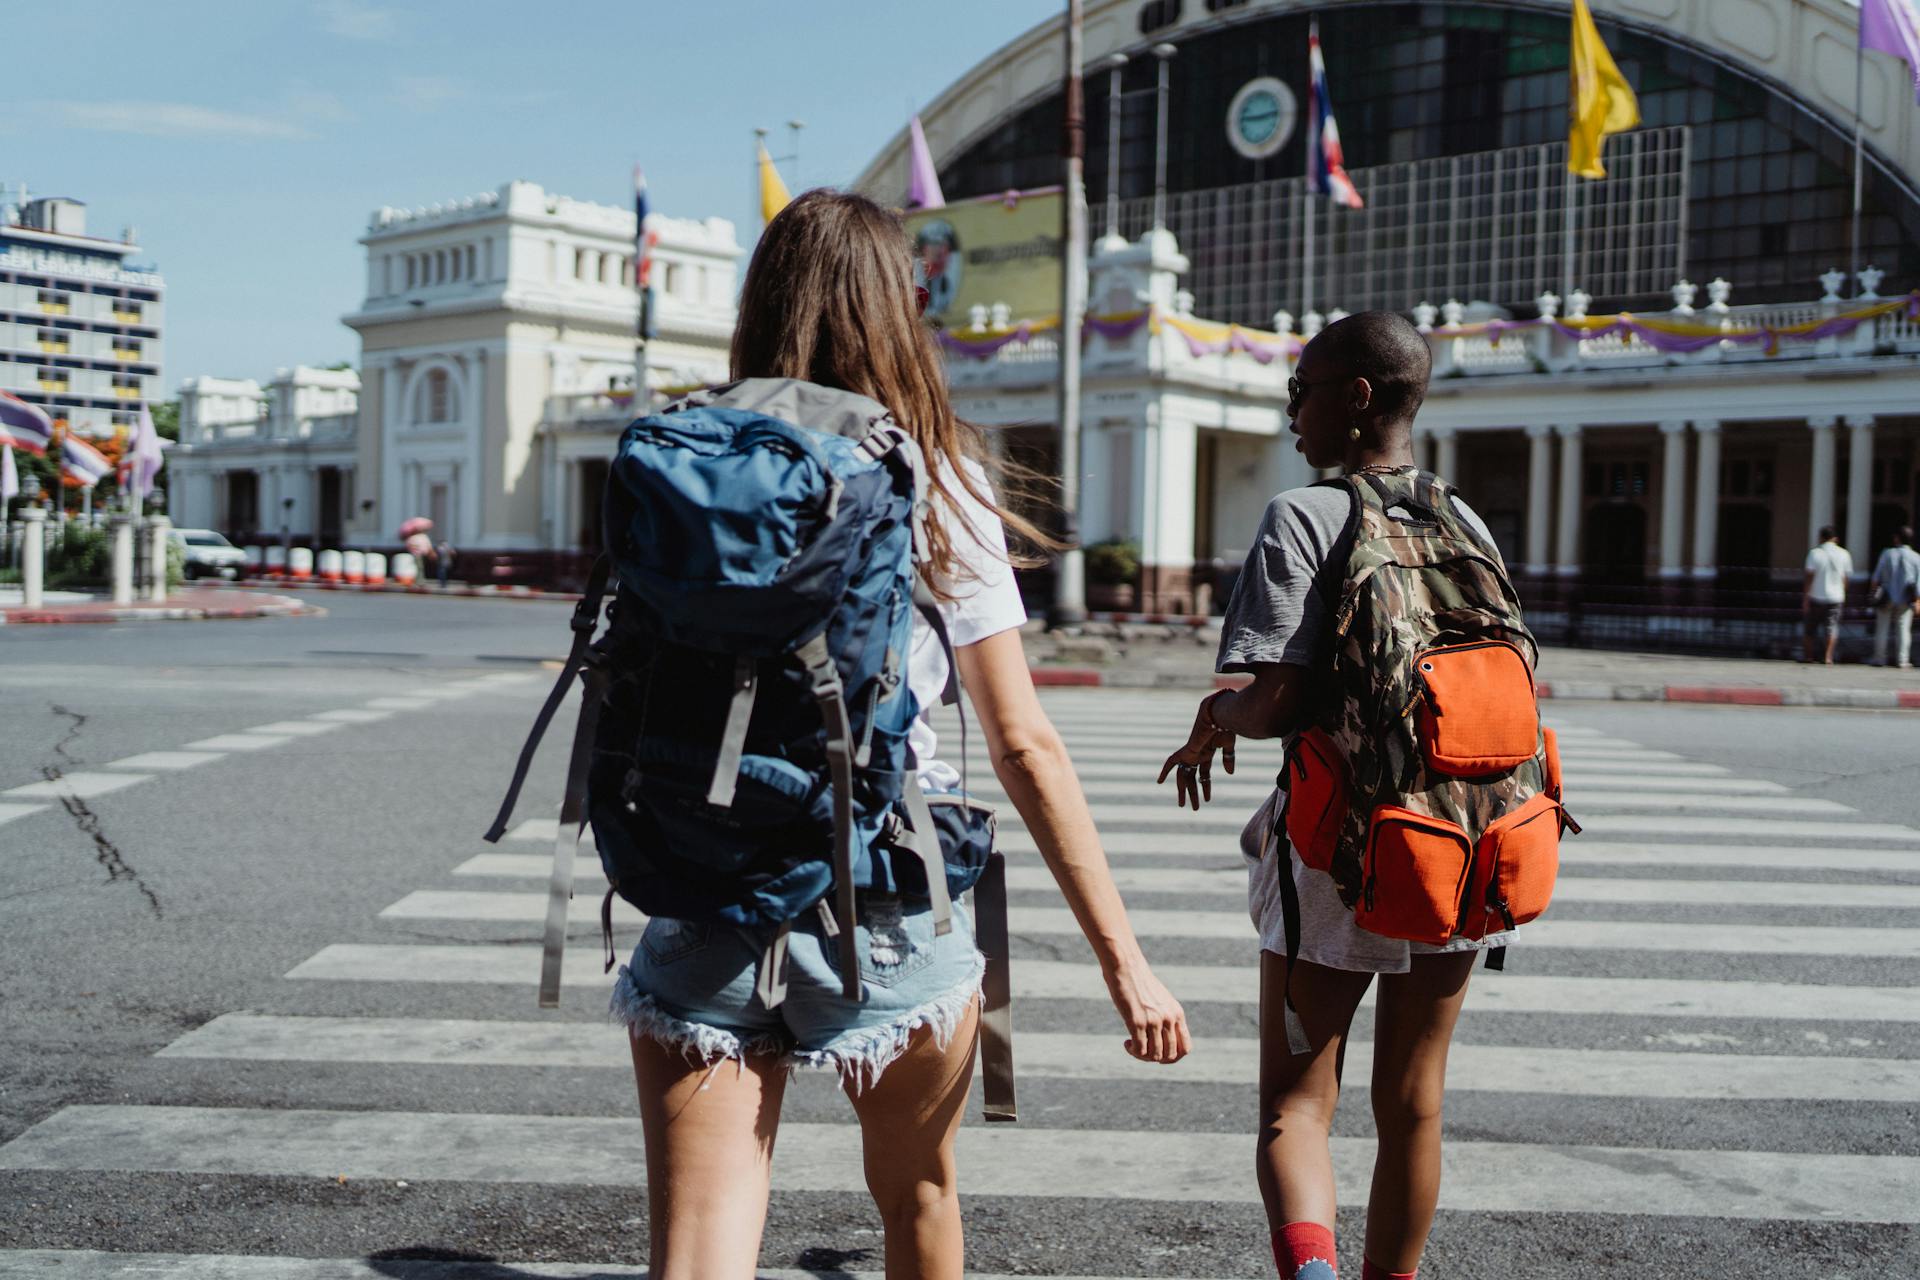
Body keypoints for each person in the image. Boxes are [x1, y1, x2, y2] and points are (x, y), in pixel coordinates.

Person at [614, 188, 1191, 1280]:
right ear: (896, 309)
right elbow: (1022, 743)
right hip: (889, 881)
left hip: (705, 868)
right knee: (917, 1194)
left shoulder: (682, 467)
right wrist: (1127, 964)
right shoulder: (942, 478)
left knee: (697, 1243)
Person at [1158, 312, 1512, 1280]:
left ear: (1357, 398)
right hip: (1462, 852)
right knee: (1414, 1108)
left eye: (1302, 386)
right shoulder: (1465, 520)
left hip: (1341, 856)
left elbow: (1276, 699)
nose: (1290, 408)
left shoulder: (1304, 516)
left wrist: (1216, 714)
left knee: (1294, 1108)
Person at [1869, 525, 1920, 669]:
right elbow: (1918, 582)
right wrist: (1917, 600)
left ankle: (1879, 658)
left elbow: (1875, 578)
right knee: (1903, 628)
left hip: (1886, 596)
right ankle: (1902, 660)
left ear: (1897, 538)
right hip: (1906, 596)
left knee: (1882, 627)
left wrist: (1873, 593)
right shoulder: (1917, 557)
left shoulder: (1887, 554)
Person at [1803, 525, 1853, 665]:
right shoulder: (1844, 554)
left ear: (1821, 538)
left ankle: (1809, 656)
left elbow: (1809, 576)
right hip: (1836, 596)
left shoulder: (1814, 553)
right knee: (1831, 628)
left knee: (1810, 628)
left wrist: (1806, 596)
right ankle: (1828, 656)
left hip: (1816, 595)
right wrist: (1843, 591)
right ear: (1835, 538)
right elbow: (1846, 578)